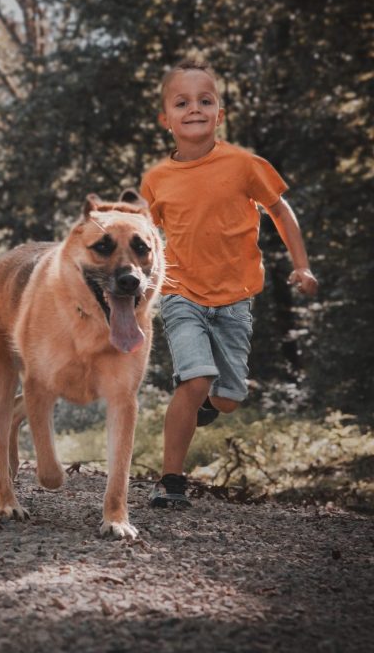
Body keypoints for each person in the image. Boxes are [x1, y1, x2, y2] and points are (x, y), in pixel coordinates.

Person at [140, 59, 318, 508]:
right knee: (196, 378)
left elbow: (280, 210)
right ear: (166, 119)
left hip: (236, 300)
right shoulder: (156, 179)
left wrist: (302, 265)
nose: (194, 109)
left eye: (205, 100)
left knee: (229, 399)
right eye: (182, 102)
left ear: (219, 113)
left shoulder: (243, 164)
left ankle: (203, 402)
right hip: (181, 294)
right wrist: (135, 288)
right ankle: (171, 482)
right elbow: (141, 236)